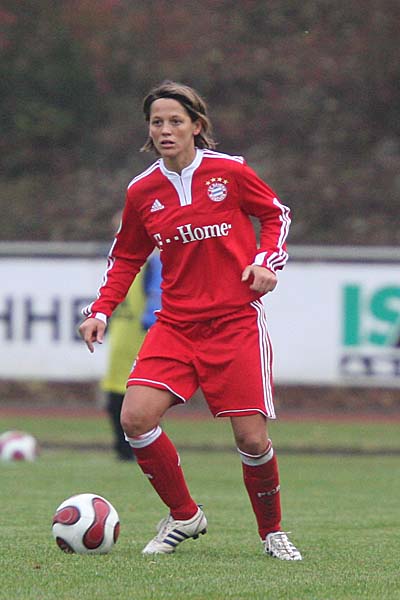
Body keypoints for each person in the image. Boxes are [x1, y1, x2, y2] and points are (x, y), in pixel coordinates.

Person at [79, 80, 302, 560]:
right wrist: (100, 309)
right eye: (156, 122)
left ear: (196, 126)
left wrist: (267, 261)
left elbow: (276, 216)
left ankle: (272, 533)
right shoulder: (142, 190)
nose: (165, 130)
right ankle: (184, 515)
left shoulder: (229, 172)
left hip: (235, 322)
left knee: (251, 439)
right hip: (176, 326)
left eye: (175, 121)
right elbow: (127, 256)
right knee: (135, 418)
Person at [101, 215, 162, 460]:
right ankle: (126, 452)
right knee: (116, 400)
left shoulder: (154, 265)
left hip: (141, 343)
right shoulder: (120, 265)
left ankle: (140, 453)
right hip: (121, 343)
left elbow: (157, 301)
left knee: (140, 405)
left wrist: (152, 325)